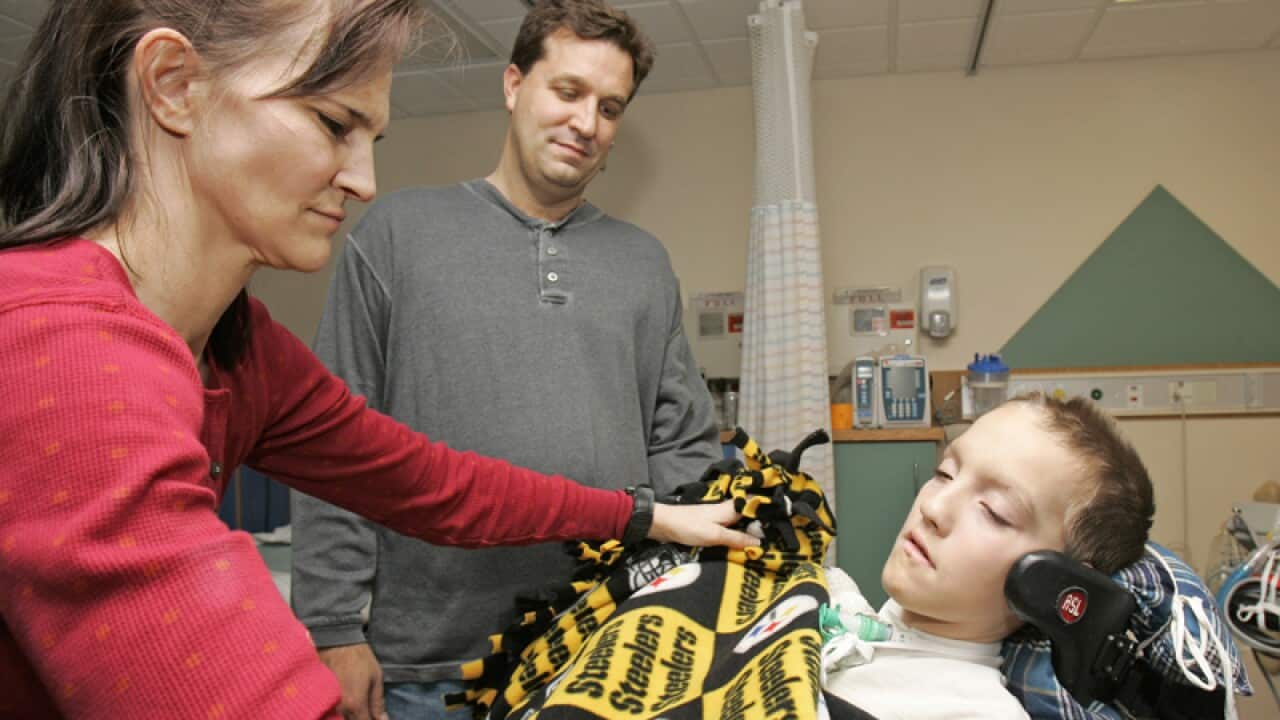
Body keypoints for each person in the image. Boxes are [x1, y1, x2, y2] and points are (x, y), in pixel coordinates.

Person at [0, 2, 755, 718]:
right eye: (333, 123)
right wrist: (334, 626)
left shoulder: (244, 349)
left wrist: (645, 515)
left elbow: (433, 484)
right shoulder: (57, 343)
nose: (363, 181)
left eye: (373, 142)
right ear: (173, 85)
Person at [289, 2, 723, 718]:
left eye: (611, 108)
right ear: (514, 84)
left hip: (601, 656)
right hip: (428, 669)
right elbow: (334, 448)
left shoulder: (643, 264)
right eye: (569, 91)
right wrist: (332, 627)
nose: (587, 123)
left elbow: (679, 446)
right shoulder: (399, 235)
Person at [821, 393, 1156, 719]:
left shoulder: (973, 711)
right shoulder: (834, 601)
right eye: (944, 474)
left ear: (1055, 585)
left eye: (994, 511)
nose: (933, 507)